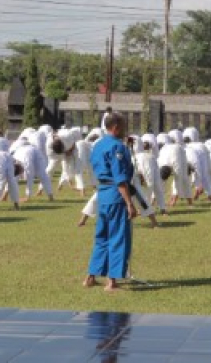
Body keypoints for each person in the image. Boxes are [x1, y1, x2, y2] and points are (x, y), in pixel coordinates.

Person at [85, 112, 137, 292]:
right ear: (116, 127)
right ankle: (112, 281)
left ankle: (91, 276)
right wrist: (129, 203)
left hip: (103, 194)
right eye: (123, 127)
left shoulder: (98, 145)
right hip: (116, 194)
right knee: (118, 237)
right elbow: (120, 178)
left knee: (102, 236)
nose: (125, 131)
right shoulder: (117, 148)